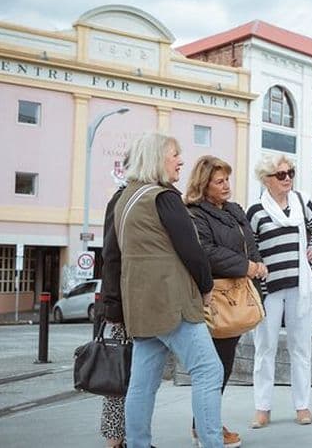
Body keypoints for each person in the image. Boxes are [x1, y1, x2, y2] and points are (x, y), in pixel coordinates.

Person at [114, 132, 224, 448]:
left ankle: (137, 443)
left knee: (143, 383)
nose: (180, 161)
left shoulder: (125, 199)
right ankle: (212, 443)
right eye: (175, 154)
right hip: (172, 304)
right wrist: (206, 286)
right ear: (156, 158)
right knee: (208, 371)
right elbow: (192, 250)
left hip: (140, 305)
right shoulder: (164, 197)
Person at [185, 155, 269, 447]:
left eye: (227, 180)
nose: (226, 185)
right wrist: (247, 266)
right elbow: (207, 252)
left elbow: (249, 243)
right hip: (214, 296)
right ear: (203, 184)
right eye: (219, 181)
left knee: (223, 364)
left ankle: (203, 425)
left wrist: (258, 264)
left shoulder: (234, 210)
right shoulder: (195, 213)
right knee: (213, 368)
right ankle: (206, 428)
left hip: (238, 294)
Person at [246, 154, 312, 428]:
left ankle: (302, 406)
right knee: (264, 348)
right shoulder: (256, 211)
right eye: (281, 174)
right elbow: (249, 246)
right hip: (268, 289)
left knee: (301, 347)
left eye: (290, 172)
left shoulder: (302, 202)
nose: (287, 178)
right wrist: (258, 265)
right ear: (266, 179)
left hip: (301, 287)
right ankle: (262, 408)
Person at [99, 153, 129, 448]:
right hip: (123, 303)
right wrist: (112, 304)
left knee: (133, 375)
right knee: (119, 373)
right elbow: (110, 254)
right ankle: (114, 440)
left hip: (136, 302)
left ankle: (127, 437)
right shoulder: (121, 199)